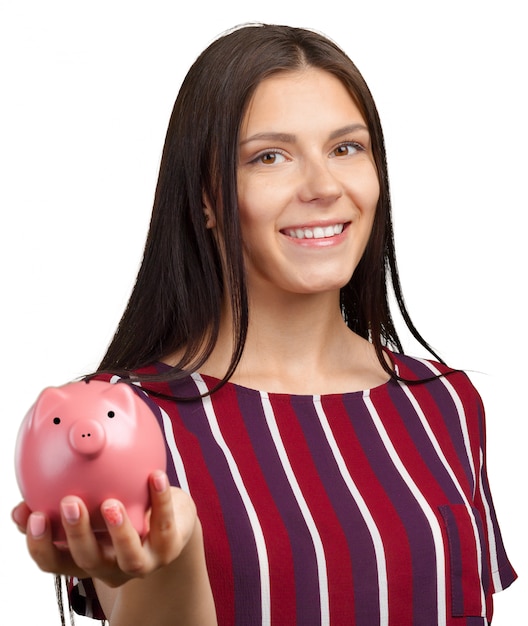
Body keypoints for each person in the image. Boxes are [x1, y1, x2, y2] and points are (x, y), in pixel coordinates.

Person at [12, 23, 516, 626]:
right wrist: (169, 563)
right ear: (205, 195)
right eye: (269, 157)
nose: (324, 187)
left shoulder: (445, 403)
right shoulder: (125, 423)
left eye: (346, 148)